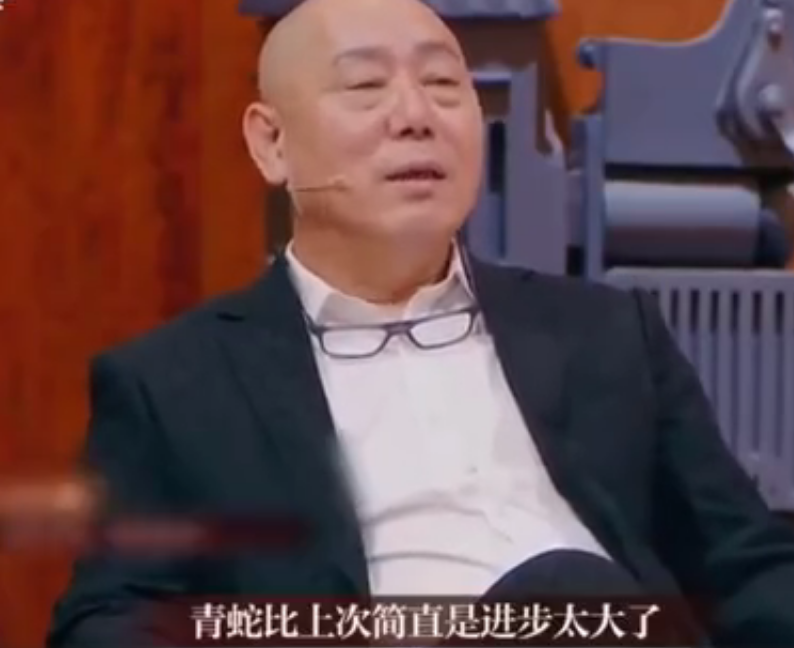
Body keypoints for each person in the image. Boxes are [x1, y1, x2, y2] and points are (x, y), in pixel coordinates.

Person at [48, 0, 794, 645]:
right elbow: (108, 621)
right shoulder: (175, 385)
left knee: (566, 592)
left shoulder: (606, 332)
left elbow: (748, 566)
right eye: (365, 87)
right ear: (272, 143)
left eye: (443, 84)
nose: (416, 116)